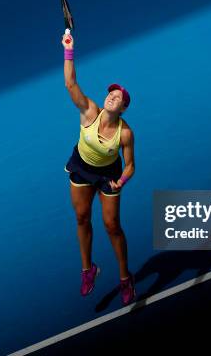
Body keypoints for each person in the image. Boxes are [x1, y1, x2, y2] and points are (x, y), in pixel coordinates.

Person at [61, 31, 136, 306]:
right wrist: (68, 50)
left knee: (112, 225)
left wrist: (122, 181)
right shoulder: (90, 111)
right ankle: (87, 269)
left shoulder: (125, 134)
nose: (112, 97)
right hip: (81, 167)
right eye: (111, 94)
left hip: (109, 175)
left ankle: (125, 277)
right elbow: (71, 84)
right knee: (82, 217)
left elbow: (130, 166)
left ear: (124, 108)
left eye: (118, 98)